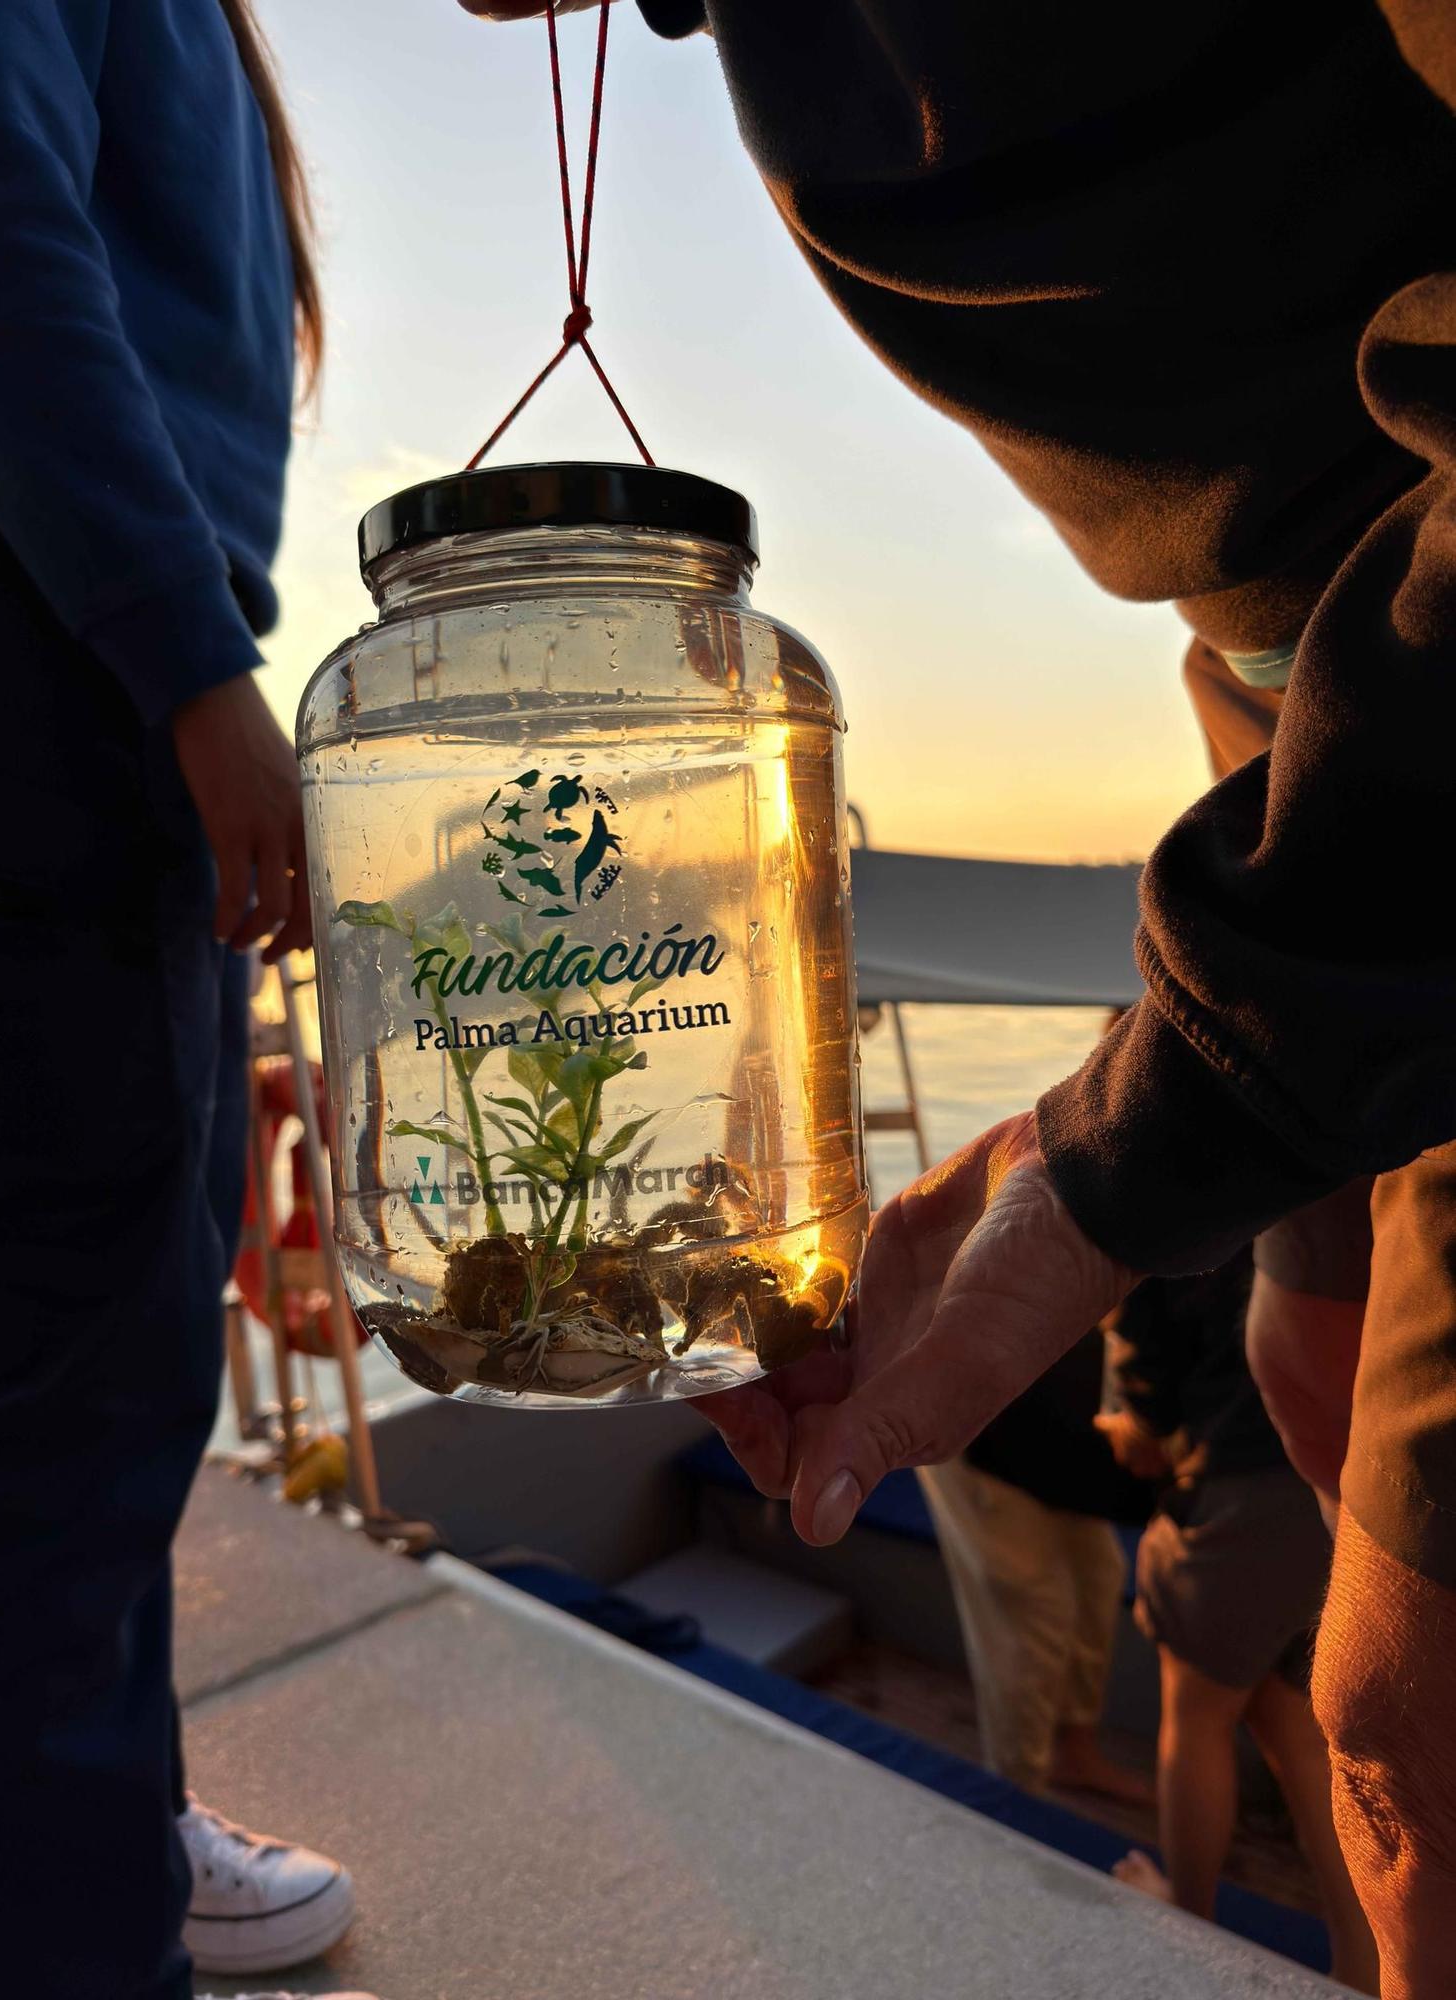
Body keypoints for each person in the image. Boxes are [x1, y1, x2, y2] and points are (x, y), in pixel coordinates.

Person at [463, 5, 1456, 1993]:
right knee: (1386, 1719)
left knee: (1417, 1721)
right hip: (1368, 830)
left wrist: (1193, 1106)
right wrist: (1294, 1190)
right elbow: (1285, 597)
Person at [0, 5, 377, 1997]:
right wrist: (193, 667)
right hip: (54, 689)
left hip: (67, 666)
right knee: (81, 1397)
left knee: (62, 1366)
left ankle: (96, 1812)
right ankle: (72, 1918)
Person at [1095, 1256, 1378, 1993]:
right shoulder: (1349, 1189)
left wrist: (1134, 1427)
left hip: (1245, 1495)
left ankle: (1186, 1923)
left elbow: (1148, 1399)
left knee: (1195, 1716)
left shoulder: (1169, 1207)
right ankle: (1363, 1961)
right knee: (1293, 1727)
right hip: (1344, 1490)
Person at [919, 1327, 1155, 1801]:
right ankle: (1016, 1795)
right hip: (976, 1422)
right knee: (1031, 1614)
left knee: (1098, 1576)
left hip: (1055, 1414)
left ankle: (1074, 1754)